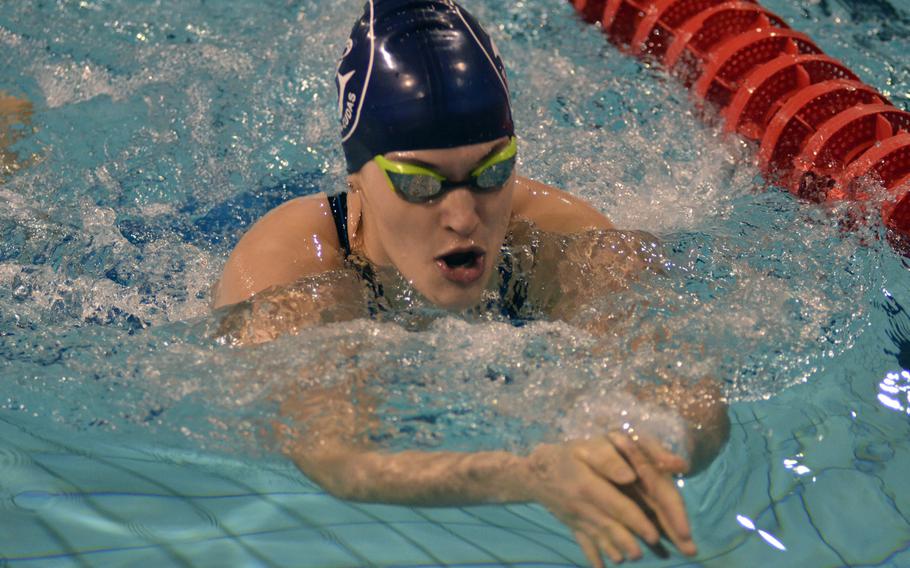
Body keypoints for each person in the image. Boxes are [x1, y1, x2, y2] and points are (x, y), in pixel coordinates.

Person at [214, 1, 729, 565]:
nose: (463, 217)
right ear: (356, 177)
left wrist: (645, 451)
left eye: (491, 171)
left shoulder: (558, 240)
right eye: (419, 184)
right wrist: (529, 475)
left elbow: (687, 388)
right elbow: (336, 458)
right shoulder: (291, 269)